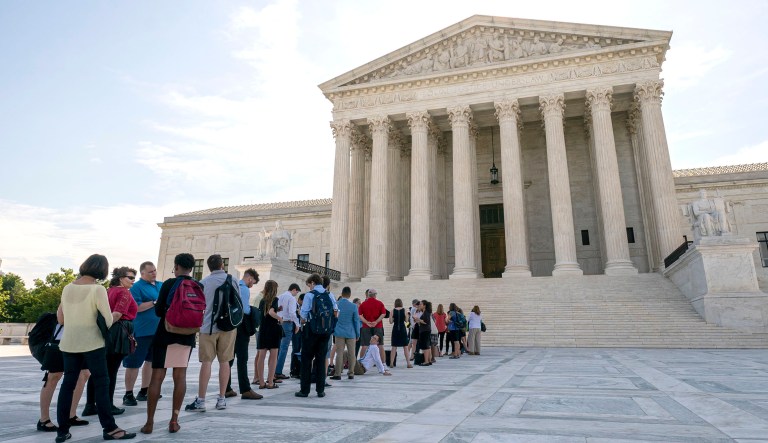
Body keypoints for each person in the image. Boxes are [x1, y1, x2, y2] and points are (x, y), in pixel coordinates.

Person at [56, 254, 135, 442]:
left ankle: (62, 431)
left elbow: (61, 319)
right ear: (102, 270)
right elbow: (108, 320)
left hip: (69, 342)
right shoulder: (97, 289)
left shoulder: (68, 288)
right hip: (92, 342)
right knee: (101, 383)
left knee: (67, 385)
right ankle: (110, 428)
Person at [140, 253, 199, 435]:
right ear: (192, 268)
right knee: (180, 376)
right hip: (187, 335)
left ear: (176, 266)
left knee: (157, 377)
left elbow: (158, 312)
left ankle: (149, 422)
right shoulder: (198, 285)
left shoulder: (168, 284)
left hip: (166, 333)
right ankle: (174, 420)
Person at [186, 254, 239, 412]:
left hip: (208, 326)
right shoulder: (233, 280)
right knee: (225, 362)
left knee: (206, 363)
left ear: (209, 267)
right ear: (222, 265)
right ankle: (221, 399)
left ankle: (201, 400)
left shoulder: (203, 283)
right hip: (228, 327)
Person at [83, 267, 138, 417]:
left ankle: (90, 405)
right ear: (120, 278)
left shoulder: (109, 290)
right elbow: (117, 314)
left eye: (134, 278)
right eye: (130, 277)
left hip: (105, 333)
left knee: (98, 371)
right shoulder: (124, 292)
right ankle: (108, 405)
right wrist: (107, 328)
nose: (133, 280)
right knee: (111, 372)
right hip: (118, 332)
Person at [37, 324, 90, 433]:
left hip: (81, 339)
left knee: (84, 373)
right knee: (54, 376)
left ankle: (71, 415)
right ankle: (44, 419)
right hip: (61, 339)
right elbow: (61, 318)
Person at [123, 261, 161, 407]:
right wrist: (155, 302)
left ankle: (144, 390)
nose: (154, 273)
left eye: (155, 270)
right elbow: (137, 307)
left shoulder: (160, 285)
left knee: (151, 361)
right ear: (143, 273)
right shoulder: (136, 287)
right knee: (133, 363)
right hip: (141, 331)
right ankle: (128, 393)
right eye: (150, 272)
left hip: (157, 331)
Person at [295, 273, 337, 398]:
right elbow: (336, 311)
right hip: (325, 332)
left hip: (311, 331)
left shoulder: (309, 295)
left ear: (313, 282)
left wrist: (302, 320)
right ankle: (320, 390)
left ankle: (305, 390)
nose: (309, 287)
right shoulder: (330, 294)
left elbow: (304, 314)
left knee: (307, 360)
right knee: (320, 359)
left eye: (309, 285)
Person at [225, 268, 262, 400]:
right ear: (249, 278)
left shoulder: (233, 285)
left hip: (230, 325)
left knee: (229, 358)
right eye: (253, 283)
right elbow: (245, 310)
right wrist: (254, 311)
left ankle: (226, 388)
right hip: (241, 326)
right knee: (242, 359)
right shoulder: (244, 289)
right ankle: (245, 389)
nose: (252, 285)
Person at [330, 286, 361, 380]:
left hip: (339, 332)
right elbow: (356, 321)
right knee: (352, 353)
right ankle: (351, 373)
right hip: (351, 333)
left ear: (341, 294)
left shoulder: (336, 304)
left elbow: (333, 318)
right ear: (350, 295)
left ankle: (337, 374)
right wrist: (357, 333)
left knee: (339, 353)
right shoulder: (353, 306)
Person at [255, 280, 282, 389]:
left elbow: (265, 312)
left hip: (263, 330)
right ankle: (270, 382)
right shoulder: (275, 299)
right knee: (273, 356)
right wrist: (279, 318)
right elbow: (271, 312)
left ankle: (261, 382)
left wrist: (276, 310)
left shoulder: (262, 300)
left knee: (261, 356)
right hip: (273, 330)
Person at [275, 282, 300, 380]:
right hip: (287, 323)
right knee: (284, 348)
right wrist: (297, 324)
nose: (296, 294)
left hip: (279, 322)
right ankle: (278, 371)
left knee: (278, 348)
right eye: (296, 292)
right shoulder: (291, 298)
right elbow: (292, 313)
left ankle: (275, 370)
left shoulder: (280, 296)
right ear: (294, 289)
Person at [358, 288, 387, 366]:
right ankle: (383, 363)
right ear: (375, 295)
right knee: (380, 345)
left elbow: (360, 315)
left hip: (366, 326)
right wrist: (376, 321)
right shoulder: (380, 303)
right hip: (378, 326)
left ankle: (361, 364)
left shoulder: (363, 304)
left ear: (368, 295)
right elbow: (383, 314)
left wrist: (367, 322)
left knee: (364, 345)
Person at [388, 298, 411, 368]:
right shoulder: (404, 310)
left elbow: (390, 322)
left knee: (394, 347)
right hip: (402, 330)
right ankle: (408, 363)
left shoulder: (392, 311)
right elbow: (407, 322)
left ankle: (391, 363)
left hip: (395, 330)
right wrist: (409, 326)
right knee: (405, 347)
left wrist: (394, 318)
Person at [416, 300, 433, 366]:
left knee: (425, 346)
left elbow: (425, 322)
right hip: (426, 330)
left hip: (424, 331)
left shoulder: (426, 312)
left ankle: (426, 361)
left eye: (421, 304)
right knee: (427, 346)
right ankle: (429, 360)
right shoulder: (426, 312)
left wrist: (418, 319)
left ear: (424, 305)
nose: (419, 305)